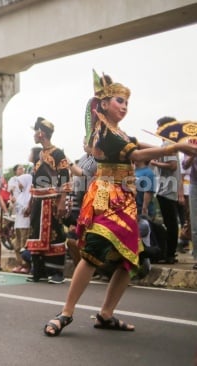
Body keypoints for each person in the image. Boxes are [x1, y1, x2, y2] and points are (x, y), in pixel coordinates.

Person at [43, 71, 197, 337]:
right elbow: (137, 154)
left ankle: (106, 314)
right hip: (107, 196)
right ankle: (66, 312)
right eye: (118, 101)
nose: (124, 107)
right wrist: (173, 149)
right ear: (103, 104)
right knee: (93, 251)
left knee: (129, 258)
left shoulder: (118, 132)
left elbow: (136, 143)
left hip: (125, 198)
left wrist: (180, 146)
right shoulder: (104, 132)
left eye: (126, 103)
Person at [25, 117, 70, 284]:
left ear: (41, 133)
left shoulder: (58, 153)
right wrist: (30, 203)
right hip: (38, 200)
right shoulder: (40, 155)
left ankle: (56, 272)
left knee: (55, 234)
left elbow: (65, 177)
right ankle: (39, 271)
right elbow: (36, 181)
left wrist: (62, 201)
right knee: (36, 233)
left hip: (52, 200)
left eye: (35, 132)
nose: (34, 136)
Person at [150, 116, 183, 264]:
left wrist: (155, 163)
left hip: (167, 189)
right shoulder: (168, 145)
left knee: (170, 223)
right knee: (170, 223)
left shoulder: (169, 144)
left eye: (159, 127)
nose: (157, 130)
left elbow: (173, 166)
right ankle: (169, 253)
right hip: (166, 188)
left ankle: (170, 254)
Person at [10, 164, 33, 273]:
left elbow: (26, 210)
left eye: (20, 182)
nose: (18, 185)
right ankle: (20, 264)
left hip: (25, 224)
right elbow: (18, 209)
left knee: (24, 245)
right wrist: (14, 203)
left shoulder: (29, 195)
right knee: (17, 245)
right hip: (18, 223)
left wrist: (16, 203)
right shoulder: (21, 195)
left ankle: (26, 265)